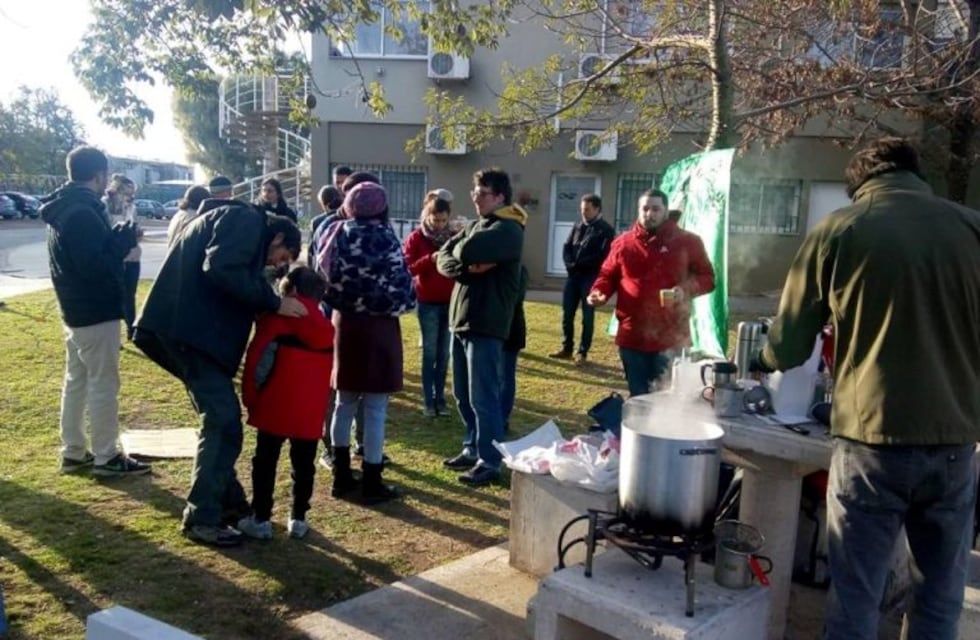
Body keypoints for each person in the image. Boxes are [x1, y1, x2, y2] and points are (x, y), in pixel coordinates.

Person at [752, 137, 980, 639]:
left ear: (860, 186)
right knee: (940, 597)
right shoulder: (971, 227)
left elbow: (788, 346)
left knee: (857, 596)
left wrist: (761, 360)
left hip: (872, 442)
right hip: (956, 443)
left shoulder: (841, 228)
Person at [133, 198, 305, 547]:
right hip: (190, 335)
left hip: (187, 333)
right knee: (223, 422)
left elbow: (227, 271)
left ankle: (229, 503)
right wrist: (274, 302)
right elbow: (222, 268)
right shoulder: (247, 221)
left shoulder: (235, 220)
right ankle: (202, 517)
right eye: (282, 257)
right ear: (277, 238)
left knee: (220, 421)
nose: (278, 265)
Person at [41, 146, 150, 477]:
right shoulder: (82, 213)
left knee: (77, 380)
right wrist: (121, 244)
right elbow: (94, 266)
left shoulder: (66, 207)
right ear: (99, 175)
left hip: (76, 308)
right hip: (94, 308)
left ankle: (74, 451)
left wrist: (115, 240)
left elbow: (86, 258)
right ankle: (106, 455)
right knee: (103, 383)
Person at [318, 182, 416, 503]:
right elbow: (402, 289)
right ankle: (372, 480)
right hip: (379, 327)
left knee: (344, 401)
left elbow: (324, 280)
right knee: (375, 408)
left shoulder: (336, 233)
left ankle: (341, 476)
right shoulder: (386, 237)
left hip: (345, 324)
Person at [436, 168, 526, 487]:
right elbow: (442, 256)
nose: (476, 198)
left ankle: (490, 460)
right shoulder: (477, 226)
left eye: (483, 193)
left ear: (500, 197)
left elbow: (465, 249)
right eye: (474, 192)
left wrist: (461, 249)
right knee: (462, 394)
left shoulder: (508, 228)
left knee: (483, 396)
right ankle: (472, 446)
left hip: (486, 323)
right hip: (461, 321)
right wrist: (466, 268)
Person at [237, 265, 335, 540]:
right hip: (309, 411)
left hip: (275, 404)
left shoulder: (275, 321)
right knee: (303, 465)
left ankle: (261, 518)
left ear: (291, 290)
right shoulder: (326, 329)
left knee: (265, 462)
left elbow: (257, 363)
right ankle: (298, 518)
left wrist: (250, 398)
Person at [587, 189, 714, 396]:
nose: (649, 214)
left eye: (656, 209)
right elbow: (607, 275)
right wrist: (599, 291)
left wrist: (685, 290)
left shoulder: (688, 242)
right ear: (638, 211)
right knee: (638, 398)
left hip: (671, 337)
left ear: (666, 211)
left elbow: (707, 278)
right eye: (645, 209)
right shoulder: (623, 243)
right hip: (632, 336)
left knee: (669, 400)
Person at [403, 191, 456, 417]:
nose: (439, 225)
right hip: (428, 303)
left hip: (450, 301)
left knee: (444, 354)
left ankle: (440, 399)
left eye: (444, 220)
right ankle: (427, 400)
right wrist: (430, 259)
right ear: (427, 215)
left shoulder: (453, 237)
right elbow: (408, 268)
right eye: (436, 220)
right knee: (430, 352)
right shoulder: (416, 238)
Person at [550, 193, 614, 365]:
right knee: (567, 314)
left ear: (597, 209)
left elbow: (602, 256)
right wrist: (569, 264)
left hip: (590, 278)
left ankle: (582, 352)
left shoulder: (605, 230)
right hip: (573, 276)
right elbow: (566, 247)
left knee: (587, 316)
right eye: (582, 209)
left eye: (587, 209)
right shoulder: (577, 226)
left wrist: (580, 265)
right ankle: (567, 348)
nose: (583, 213)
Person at [104, 174, 142, 341]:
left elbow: (134, 226)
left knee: (129, 295)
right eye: (127, 193)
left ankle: (131, 329)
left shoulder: (132, 207)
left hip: (132, 256)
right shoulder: (104, 205)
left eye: (132, 194)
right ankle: (113, 334)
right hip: (116, 258)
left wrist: (136, 233)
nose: (130, 198)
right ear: (116, 191)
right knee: (113, 296)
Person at [501, 264, 529, 433]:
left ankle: (502, 418)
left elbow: (513, 298)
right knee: (501, 377)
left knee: (505, 376)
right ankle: (498, 417)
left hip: (509, 330)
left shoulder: (518, 270)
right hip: (499, 329)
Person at [307, 184, 343, 267]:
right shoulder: (348, 217)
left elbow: (311, 251)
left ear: (323, 203)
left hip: (322, 263)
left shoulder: (317, 222)